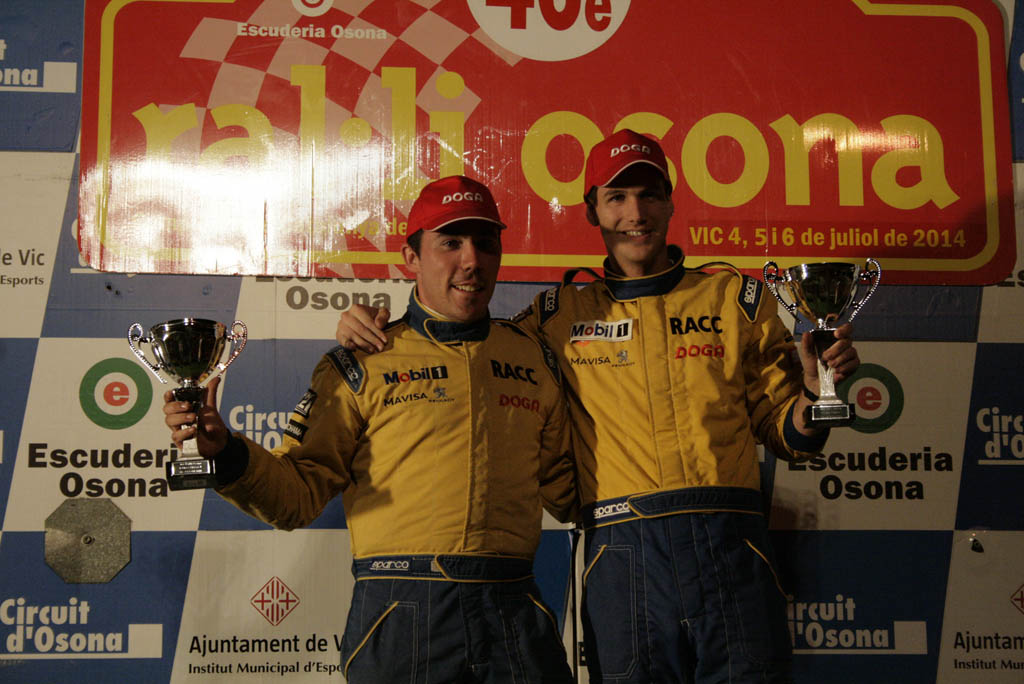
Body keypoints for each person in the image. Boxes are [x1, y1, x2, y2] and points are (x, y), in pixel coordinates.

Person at [334, 131, 860, 683]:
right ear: (592, 211)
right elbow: (468, 346)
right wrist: (370, 329)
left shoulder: (734, 300)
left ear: (671, 202)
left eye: (649, 194)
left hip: (732, 543)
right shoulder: (556, 316)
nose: (636, 213)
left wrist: (813, 393)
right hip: (623, 551)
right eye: (617, 198)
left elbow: (787, 434)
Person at [163, 175, 577, 684]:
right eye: (450, 242)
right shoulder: (362, 361)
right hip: (402, 609)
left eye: (485, 243)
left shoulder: (533, 357)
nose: (472, 260)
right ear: (411, 257)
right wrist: (225, 452)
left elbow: (569, 489)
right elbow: (297, 495)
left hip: (514, 611)